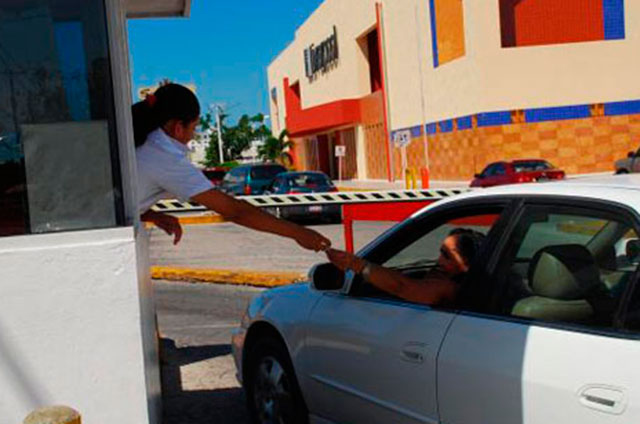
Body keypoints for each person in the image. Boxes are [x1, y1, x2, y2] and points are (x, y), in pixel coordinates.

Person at [134, 83, 330, 252]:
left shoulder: (144, 143)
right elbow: (235, 211)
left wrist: (150, 215)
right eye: (193, 128)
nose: (192, 136)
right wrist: (300, 233)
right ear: (178, 127)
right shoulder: (164, 155)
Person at [326, 228, 485, 306]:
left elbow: (401, 287)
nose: (439, 261)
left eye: (447, 256)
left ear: (467, 265)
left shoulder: (449, 288)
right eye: (440, 253)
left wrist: (356, 264)